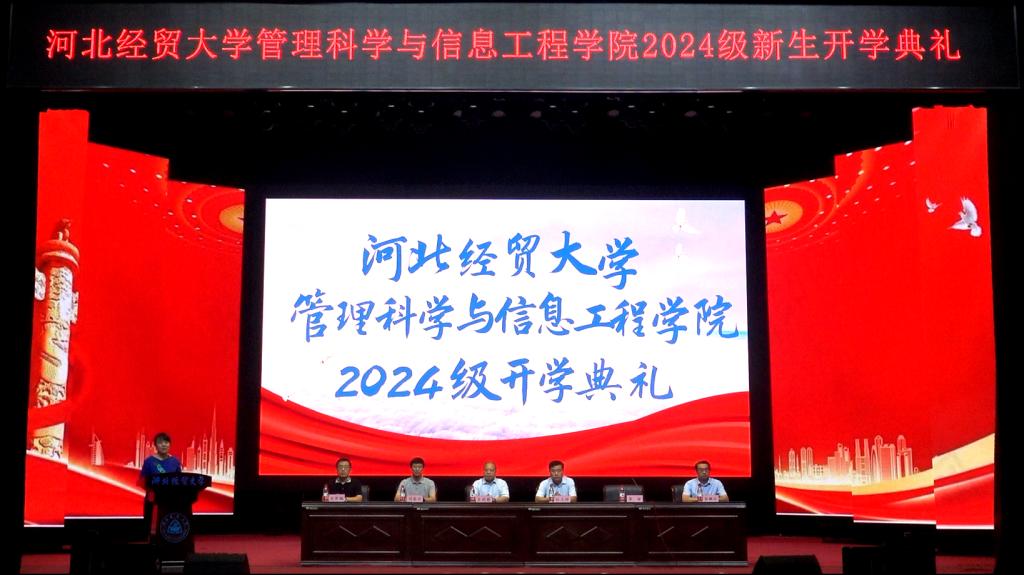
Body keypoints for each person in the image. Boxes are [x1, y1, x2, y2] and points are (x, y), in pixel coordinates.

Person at [137, 432, 183, 537]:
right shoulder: (149, 462)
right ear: (155, 445)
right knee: (152, 532)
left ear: (170, 444)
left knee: (169, 529)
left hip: (171, 501)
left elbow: (179, 480)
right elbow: (142, 481)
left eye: (166, 442)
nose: (164, 445)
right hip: (153, 500)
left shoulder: (175, 461)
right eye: (160, 442)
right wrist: (152, 491)